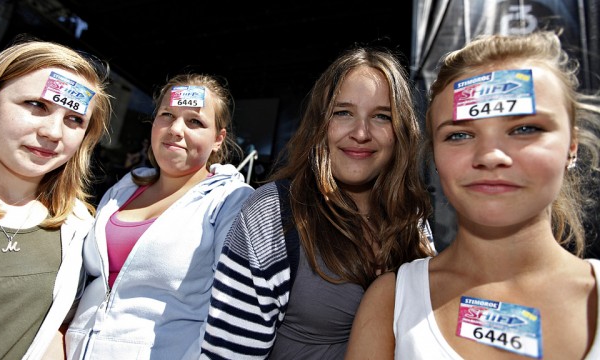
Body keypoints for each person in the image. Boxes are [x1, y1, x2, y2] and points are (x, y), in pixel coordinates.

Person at [346, 30, 600, 359]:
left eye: (525, 129)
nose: (490, 155)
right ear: (434, 154)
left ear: (571, 146)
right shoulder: (392, 301)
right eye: (460, 134)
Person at [200, 47, 435, 359]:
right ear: (319, 124)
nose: (361, 133)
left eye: (381, 116)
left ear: (401, 131)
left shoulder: (411, 217)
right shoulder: (273, 212)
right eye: (343, 113)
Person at [65, 73, 254, 359]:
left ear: (218, 139)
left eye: (195, 121)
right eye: (167, 115)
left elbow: (233, 313)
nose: (176, 129)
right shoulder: (124, 189)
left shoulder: (231, 200)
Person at [0, 39, 112, 360]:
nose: (53, 132)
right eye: (37, 105)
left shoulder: (78, 228)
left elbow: (45, 336)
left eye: (74, 120)